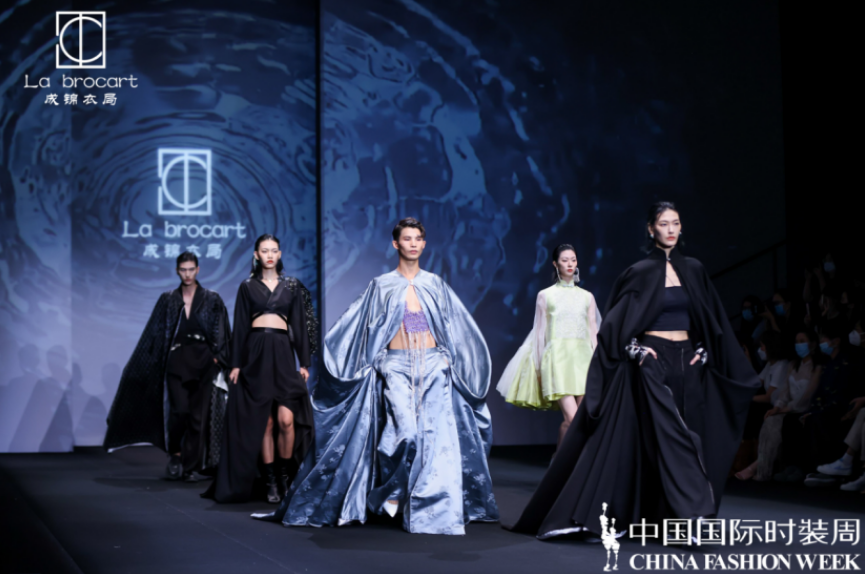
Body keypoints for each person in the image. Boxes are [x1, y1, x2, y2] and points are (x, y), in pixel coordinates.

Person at [507, 201, 759, 539]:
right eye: (663, 223)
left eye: (676, 223)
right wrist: (637, 351)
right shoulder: (640, 271)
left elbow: (709, 317)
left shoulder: (694, 269)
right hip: (652, 361)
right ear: (651, 229)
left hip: (689, 363)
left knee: (685, 433)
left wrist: (704, 350)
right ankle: (691, 514)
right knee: (671, 436)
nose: (671, 229)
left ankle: (671, 521)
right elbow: (616, 325)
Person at [254, 217, 499, 535]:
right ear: (395, 244)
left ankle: (429, 508)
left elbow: (456, 327)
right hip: (395, 366)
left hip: (433, 367)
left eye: (417, 238)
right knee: (405, 435)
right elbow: (354, 326)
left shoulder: (435, 284)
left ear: (424, 244)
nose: (413, 243)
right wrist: (374, 360)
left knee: (434, 440)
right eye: (407, 238)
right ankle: (390, 491)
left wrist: (448, 360)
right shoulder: (381, 285)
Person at [204, 234, 317, 503]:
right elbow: (241, 325)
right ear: (256, 255)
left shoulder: (291, 285)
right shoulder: (247, 286)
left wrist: (304, 362)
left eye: (273, 250)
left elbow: (299, 324)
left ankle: (285, 476)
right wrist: (236, 364)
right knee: (264, 422)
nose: (269, 255)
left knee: (286, 420)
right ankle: (271, 482)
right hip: (256, 354)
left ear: (279, 254)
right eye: (264, 251)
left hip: (282, 353)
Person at [104, 252, 231, 481]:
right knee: (179, 412)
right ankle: (175, 454)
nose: (187, 274)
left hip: (203, 361)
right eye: (183, 270)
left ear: (198, 270)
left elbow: (221, 329)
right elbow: (154, 332)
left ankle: (190, 466)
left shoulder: (212, 299)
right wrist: (148, 362)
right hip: (177, 360)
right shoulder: (168, 299)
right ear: (177, 271)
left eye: (191, 269)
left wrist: (216, 358)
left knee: (198, 417)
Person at [496, 244, 600, 445]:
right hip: (558, 361)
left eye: (573, 260)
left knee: (577, 421)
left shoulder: (587, 297)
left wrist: (598, 363)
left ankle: (558, 459)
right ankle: (567, 463)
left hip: (584, 360)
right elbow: (539, 333)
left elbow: (593, 331)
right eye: (564, 260)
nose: (570, 264)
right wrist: (537, 367)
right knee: (573, 419)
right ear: (555, 264)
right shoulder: (546, 295)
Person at [736, 329, 814, 481]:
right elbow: (758, 384)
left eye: (763, 346)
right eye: (796, 342)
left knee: (768, 419)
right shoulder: (779, 365)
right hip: (781, 407)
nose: (761, 349)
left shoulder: (784, 366)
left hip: (795, 408)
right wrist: (748, 360)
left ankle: (758, 466)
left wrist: (780, 408)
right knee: (767, 419)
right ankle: (756, 464)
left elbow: (769, 396)